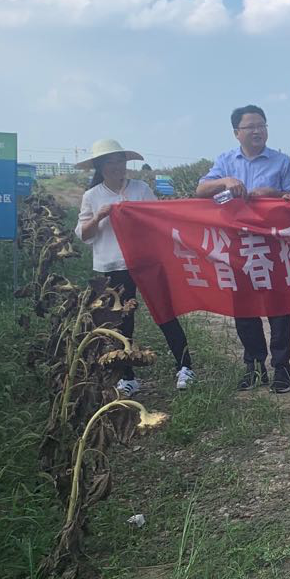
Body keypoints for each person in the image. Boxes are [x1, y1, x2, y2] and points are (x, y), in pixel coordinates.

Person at [74, 139, 194, 393]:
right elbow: (84, 234)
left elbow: (158, 220)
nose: (117, 166)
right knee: (122, 321)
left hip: (146, 262)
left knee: (165, 313)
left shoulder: (141, 189)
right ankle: (127, 376)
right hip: (113, 266)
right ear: (100, 167)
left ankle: (185, 366)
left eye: (120, 161)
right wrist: (100, 216)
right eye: (110, 162)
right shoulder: (92, 196)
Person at [196, 105, 290, 392]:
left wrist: (275, 194)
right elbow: (200, 190)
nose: (257, 131)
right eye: (250, 126)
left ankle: (281, 367)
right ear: (236, 133)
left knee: (280, 307)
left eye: (261, 125)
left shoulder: (282, 162)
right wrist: (225, 182)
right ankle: (254, 365)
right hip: (238, 246)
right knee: (244, 307)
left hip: (273, 245)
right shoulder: (226, 161)